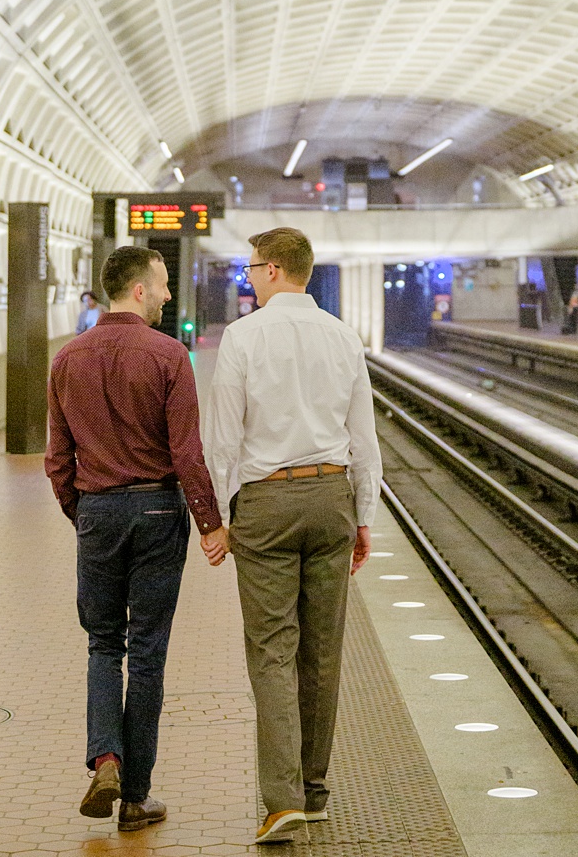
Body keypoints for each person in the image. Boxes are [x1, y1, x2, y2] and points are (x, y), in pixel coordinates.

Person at [200, 227, 381, 845]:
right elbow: (365, 438)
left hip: (268, 503)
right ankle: (315, 790)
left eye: (252, 267)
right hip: (332, 495)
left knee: (274, 651)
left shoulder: (244, 338)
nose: (248, 276)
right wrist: (363, 517)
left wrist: (219, 516)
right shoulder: (343, 336)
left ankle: (282, 802)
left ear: (274, 269)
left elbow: (225, 434)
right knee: (323, 650)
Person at [44, 244, 224, 830]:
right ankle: (136, 796)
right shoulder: (170, 357)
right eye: (165, 285)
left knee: (103, 645)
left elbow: (57, 460)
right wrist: (210, 524)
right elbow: (186, 453)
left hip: (97, 511)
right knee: (146, 652)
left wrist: (86, 514)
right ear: (140, 290)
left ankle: (106, 758)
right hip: (155, 512)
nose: (170, 296)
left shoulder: (68, 359)